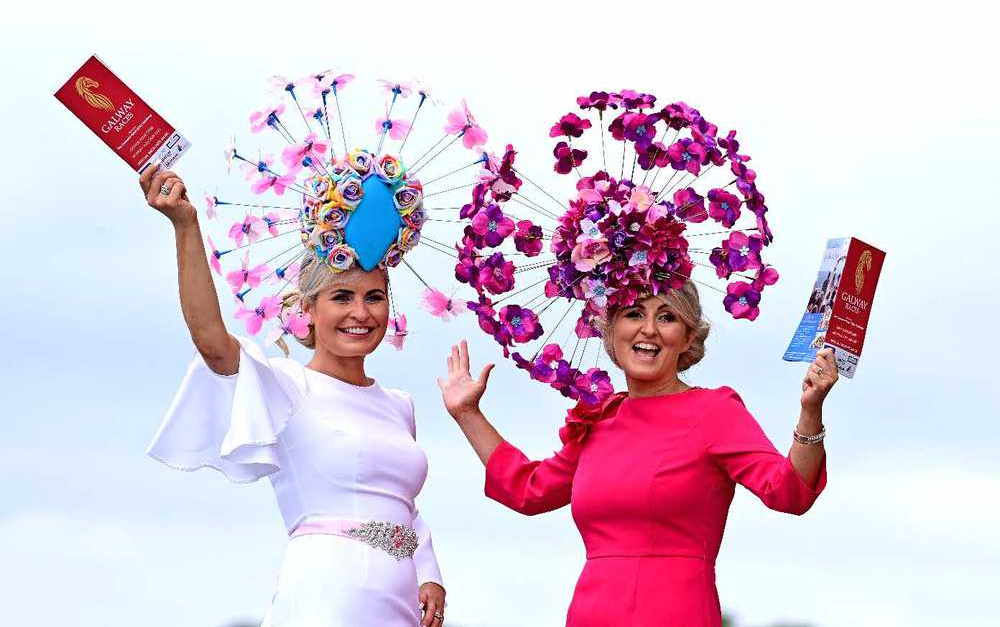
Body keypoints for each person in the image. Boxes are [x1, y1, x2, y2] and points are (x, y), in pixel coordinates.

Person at [140, 164, 447, 626]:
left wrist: (429, 572)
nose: (360, 313)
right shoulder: (286, 385)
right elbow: (210, 338)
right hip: (327, 593)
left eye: (374, 297)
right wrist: (186, 226)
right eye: (341, 297)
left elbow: (402, 507)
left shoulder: (399, 405)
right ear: (308, 309)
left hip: (398, 599)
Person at [438, 280, 838, 627]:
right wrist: (468, 413)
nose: (649, 329)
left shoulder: (714, 412)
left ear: (688, 337)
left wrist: (810, 412)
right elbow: (527, 489)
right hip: (591, 614)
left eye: (667, 317)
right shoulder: (597, 418)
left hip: (676, 614)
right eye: (633, 313)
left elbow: (790, 492)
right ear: (610, 330)